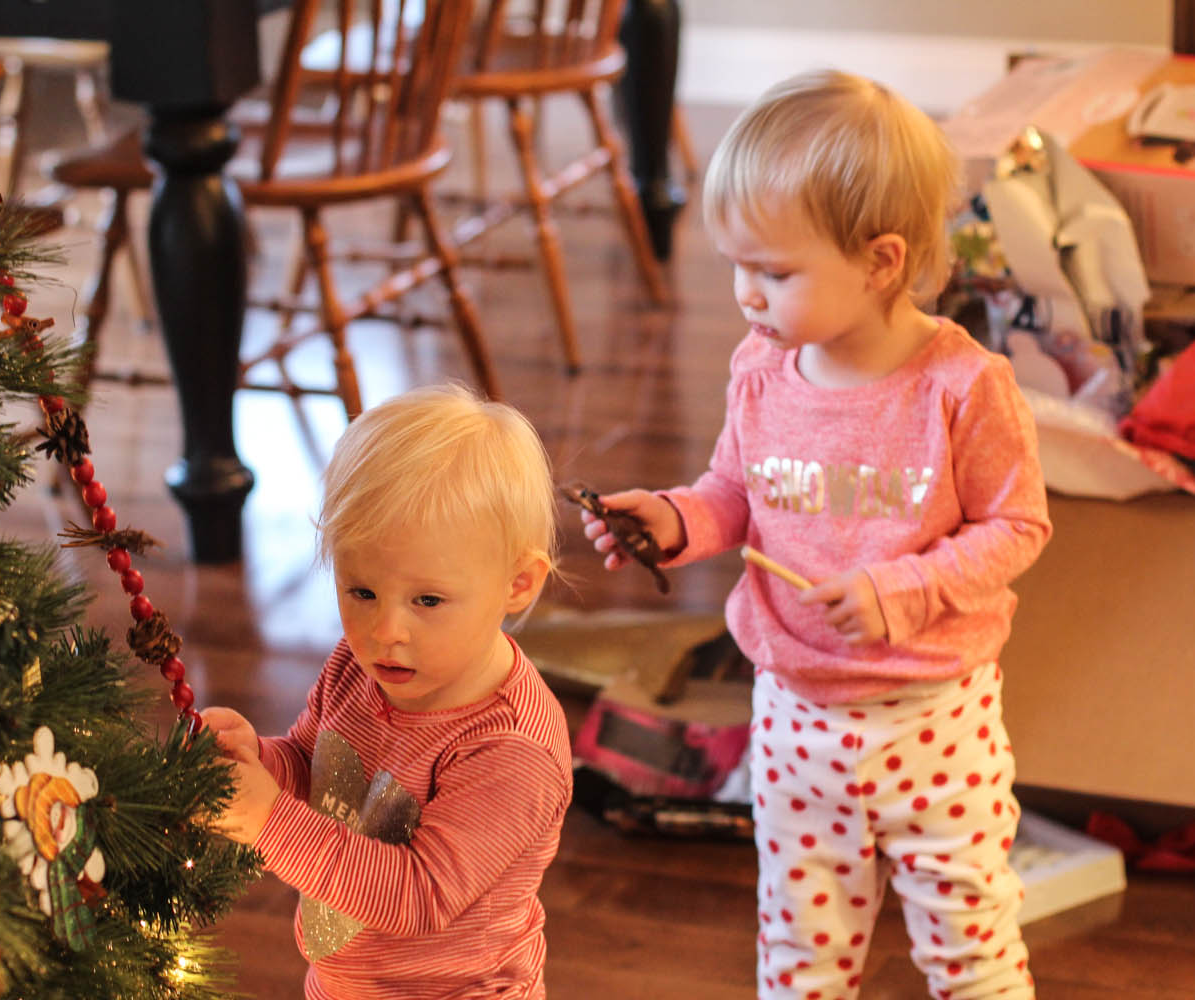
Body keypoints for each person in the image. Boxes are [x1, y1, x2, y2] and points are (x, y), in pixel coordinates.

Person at [581, 70, 1051, 999]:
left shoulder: (962, 387)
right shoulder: (761, 369)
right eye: (736, 266)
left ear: (880, 262)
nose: (746, 295)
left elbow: (1018, 524)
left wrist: (902, 588)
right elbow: (734, 492)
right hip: (794, 717)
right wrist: (675, 520)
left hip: (933, 722)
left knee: (973, 955)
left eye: (775, 272)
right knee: (800, 953)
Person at [202, 384, 572, 999]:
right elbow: (315, 770)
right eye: (362, 591)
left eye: (427, 600)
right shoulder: (357, 667)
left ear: (517, 584)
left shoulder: (510, 749)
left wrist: (267, 818)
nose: (386, 631)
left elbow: (417, 894)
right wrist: (257, 761)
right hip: (342, 983)